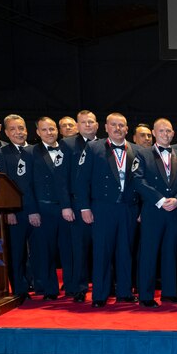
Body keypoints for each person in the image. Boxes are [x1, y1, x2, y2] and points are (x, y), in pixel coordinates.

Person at [75, 113, 139, 308]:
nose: (118, 129)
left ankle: (125, 292)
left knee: (126, 251)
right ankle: (100, 295)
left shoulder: (136, 150)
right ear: (106, 127)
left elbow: (141, 182)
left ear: (127, 129)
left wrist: (141, 209)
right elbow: (81, 180)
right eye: (114, 125)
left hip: (128, 207)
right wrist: (84, 207)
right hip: (102, 207)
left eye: (122, 125)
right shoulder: (94, 148)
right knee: (102, 251)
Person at [133, 118, 177, 307]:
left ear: (173, 133)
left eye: (168, 131)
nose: (165, 134)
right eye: (162, 131)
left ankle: (170, 292)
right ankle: (146, 296)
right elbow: (138, 180)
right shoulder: (142, 154)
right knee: (149, 253)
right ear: (154, 133)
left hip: (175, 211)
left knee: (171, 252)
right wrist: (159, 200)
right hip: (153, 210)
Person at [24, 117, 74, 300]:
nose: (49, 133)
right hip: (43, 209)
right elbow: (26, 184)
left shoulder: (67, 150)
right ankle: (49, 290)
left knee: (69, 250)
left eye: (52, 129)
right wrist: (32, 210)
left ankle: (71, 287)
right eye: (44, 130)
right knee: (45, 251)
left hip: (66, 209)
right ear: (37, 132)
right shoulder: (29, 152)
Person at [0, 115, 32, 300]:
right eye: (14, 129)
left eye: (21, 128)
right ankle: (19, 289)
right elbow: (0, 184)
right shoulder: (1, 154)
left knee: (37, 252)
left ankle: (37, 285)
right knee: (16, 252)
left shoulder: (34, 151)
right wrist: (8, 211)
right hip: (14, 212)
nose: (19, 132)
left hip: (35, 211)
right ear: (6, 133)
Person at [61, 110, 98, 302]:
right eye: (84, 122)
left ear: (98, 125)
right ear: (77, 125)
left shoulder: (104, 144)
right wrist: (66, 205)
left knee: (102, 247)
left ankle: (104, 285)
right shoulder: (67, 144)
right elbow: (63, 177)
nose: (88, 125)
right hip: (77, 205)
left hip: (102, 204)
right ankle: (79, 288)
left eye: (91, 122)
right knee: (80, 248)